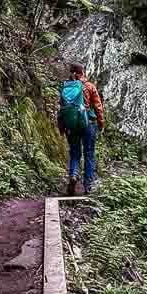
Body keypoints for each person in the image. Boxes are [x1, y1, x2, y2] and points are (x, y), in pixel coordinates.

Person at [58, 63, 105, 195]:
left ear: (71, 72)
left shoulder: (66, 87)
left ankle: (73, 175)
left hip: (72, 125)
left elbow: (61, 109)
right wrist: (101, 123)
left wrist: (62, 127)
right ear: (82, 72)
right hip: (88, 123)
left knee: (74, 152)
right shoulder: (89, 86)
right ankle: (88, 185)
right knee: (89, 153)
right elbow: (98, 107)